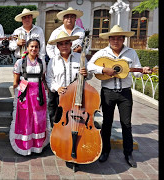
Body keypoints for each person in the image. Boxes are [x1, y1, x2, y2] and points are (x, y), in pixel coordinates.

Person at [87, 25, 152, 168]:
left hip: (124, 93)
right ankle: (105, 151)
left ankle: (128, 153)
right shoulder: (102, 53)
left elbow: (136, 72)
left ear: (123, 39)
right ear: (109, 39)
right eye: (113, 38)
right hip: (107, 92)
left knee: (126, 124)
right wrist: (103, 69)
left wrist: (143, 71)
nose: (116, 40)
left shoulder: (131, 53)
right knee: (107, 123)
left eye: (119, 38)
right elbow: (88, 66)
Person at [9, 38, 51, 156]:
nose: (34, 49)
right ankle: (24, 146)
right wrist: (17, 95)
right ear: (27, 48)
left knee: (38, 119)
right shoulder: (20, 62)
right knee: (25, 117)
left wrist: (46, 90)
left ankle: (37, 146)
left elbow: (43, 78)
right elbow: (16, 81)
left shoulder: (42, 62)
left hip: (38, 92)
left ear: (39, 49)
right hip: (24, 91)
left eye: (36, 47)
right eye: (31, 46)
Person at [45, 31, 92, 127]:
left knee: (76, 123)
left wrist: (87, 74)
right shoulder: (53, 61)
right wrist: (57, 88)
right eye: (61, 44)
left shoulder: (80, 58)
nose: (64, 46)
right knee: (56, 121)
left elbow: (90, 75)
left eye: (66, 43)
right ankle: (56, 141)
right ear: (57, 46)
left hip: (77, 96)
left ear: (71, 44)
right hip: (58, 96)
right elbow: (49, 78)